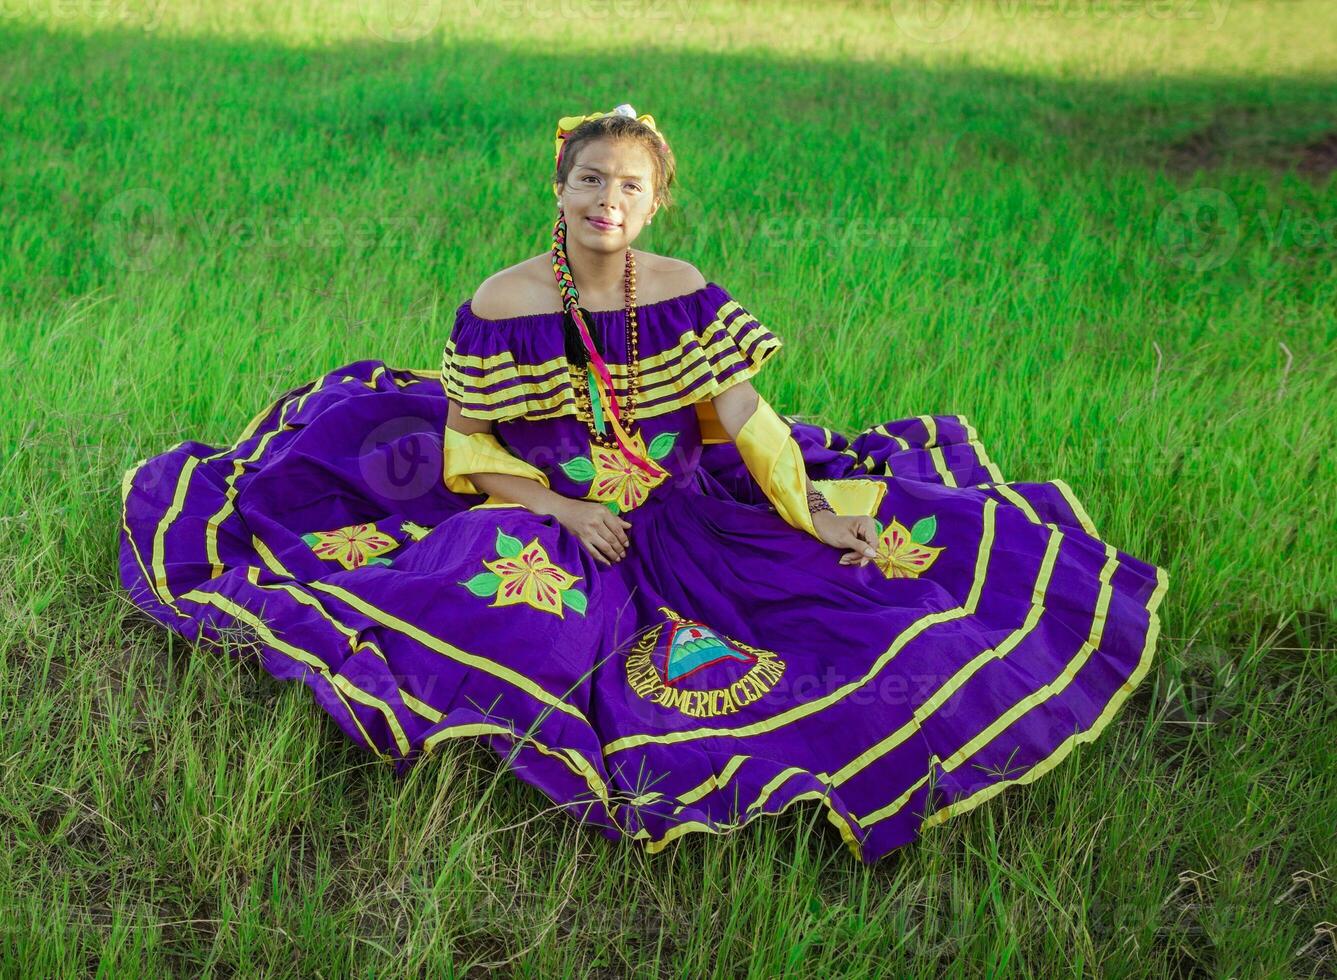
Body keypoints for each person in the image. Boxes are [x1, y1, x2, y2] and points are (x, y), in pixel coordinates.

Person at [118, 104, 1169, 865]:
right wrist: (560, 504)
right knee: (510, 606)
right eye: (588, 179)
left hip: (676, 499)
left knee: (858, 585)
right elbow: (467, 446)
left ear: (656, 198)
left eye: (629, 185)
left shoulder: (681, 293)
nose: (605, 200)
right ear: (558, 188)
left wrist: (810, 511)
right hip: (539, 495)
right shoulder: (503, 299)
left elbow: (746, 418)